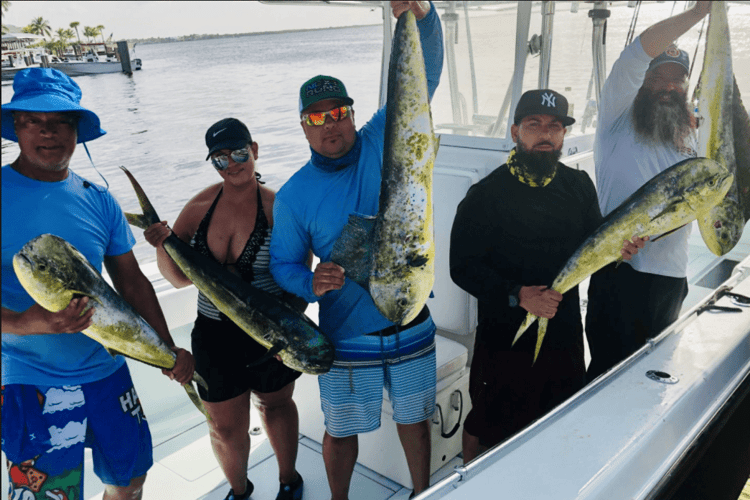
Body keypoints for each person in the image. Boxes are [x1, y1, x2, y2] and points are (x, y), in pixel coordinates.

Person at [269, 2, 443, 498]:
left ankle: (421, 492)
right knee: (342, 428)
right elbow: (283, 264)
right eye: (318, 117)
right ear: (303, 126)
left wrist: (423, 15)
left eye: (340, 112)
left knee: (415, 417)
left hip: (410, 318)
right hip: (347, 332)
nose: (332, 125)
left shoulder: (383, 134)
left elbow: (422, 78)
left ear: (351, 113)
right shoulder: (295, 195)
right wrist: (310, 282)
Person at [1, 68, 194, 500]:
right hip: (33, 381)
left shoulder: (98, 197)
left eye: (62, 121)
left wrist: (167, 347)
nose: (49, 132)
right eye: (35, 120)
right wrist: (29, 323)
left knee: (129, 481)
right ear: (16, 125)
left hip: (108, 369)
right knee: (51, 494)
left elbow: (132, 282)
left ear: (78, 130)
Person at [449, 89, 645, 462]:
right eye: (534, 124)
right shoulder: (484, 196)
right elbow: (462, 268)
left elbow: (594, 245)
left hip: (564, 330)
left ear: (563, 135)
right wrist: (518, 294)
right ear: (514, 132)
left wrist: (619, 250)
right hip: (504, 334)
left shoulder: (579, 185)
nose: (545, 134)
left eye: (554, 126)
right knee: (485, 422)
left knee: (558, 418)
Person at [143, 117, 306, 500]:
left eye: (238, 153)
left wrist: (289, 335)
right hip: (215, 334)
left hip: (271, 333)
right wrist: (161, 245)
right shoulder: (199, 208)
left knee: (277, 406)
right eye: (220, 158)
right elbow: (179, 279)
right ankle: (238, 490)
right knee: (224, 426)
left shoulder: (279, 208)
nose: (232, 164)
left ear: (254, 149)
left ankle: (289, 481)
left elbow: (299, 278)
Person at [585, 1, 712, 381]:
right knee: (608, 375)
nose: (668, 87)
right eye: (658, 78)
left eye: (677, 80)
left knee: (653, 373)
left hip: (672, 276)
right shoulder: (616, 117)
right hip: (619, 269)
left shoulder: (693, 134)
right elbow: (639, 51)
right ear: (641, 81)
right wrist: (697, 13)